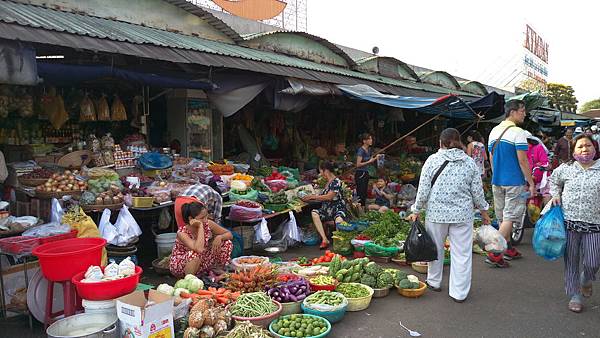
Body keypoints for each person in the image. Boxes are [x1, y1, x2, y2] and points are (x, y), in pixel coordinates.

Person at [408, 128, 491, 303]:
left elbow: (423, 190)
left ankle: (434, 281)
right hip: (462, 215)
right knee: (462, 253)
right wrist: (484, 212)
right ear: (459, 142)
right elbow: (477, 192)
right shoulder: (469, 163)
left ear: (440, 143)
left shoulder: (433, 160)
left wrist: (416, 210)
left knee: (435, 248)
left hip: (436, 214)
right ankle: (459, 293)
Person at [549, 134, 600, 313]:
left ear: (595, 148)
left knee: (593, 262)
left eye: (588, 146)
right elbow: (553, 181)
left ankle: (586, 279)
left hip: (595, 223)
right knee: (571, 261)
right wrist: (555, 194)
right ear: (573, 150)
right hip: (569, 222)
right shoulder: (567, 168)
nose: (584, 149)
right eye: (580, 146)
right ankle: (575, 295)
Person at [487, 100, 534, 268]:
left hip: (497, 181)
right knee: (510, 217)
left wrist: (496, 174)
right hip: (514, 181)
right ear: (512, 112)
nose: (524, 114)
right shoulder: (517, 132)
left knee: (502, 218)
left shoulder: (493, 131)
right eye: (522, 110)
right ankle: (495, 251)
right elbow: (523, 161)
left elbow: (491, 158)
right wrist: (531, 182)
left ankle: (507, 248)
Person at [169, 202, 233, 277]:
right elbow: (198, 249)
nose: (206, 220)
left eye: (206, 216)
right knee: (194, 254)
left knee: (226, 243)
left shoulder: (208, 224)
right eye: (202, 218)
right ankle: (189, 279)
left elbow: (229, 234)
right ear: (191, 219)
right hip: (181, 264)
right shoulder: (182, 233)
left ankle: (216, 269)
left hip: (202, 258)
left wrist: (220, 237)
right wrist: (200, 226)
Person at [302, 161, 349, 249]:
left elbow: (329, 197)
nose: (320, 174)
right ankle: (324, 239)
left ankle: (339, 242)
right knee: (314, 213)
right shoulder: (327, 182)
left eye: (321, 171)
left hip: (337, 209)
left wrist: (313, 197)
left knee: (339, 220)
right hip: (326, 210)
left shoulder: (336, 182)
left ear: (326, 171)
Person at [355, 133, 382, 207]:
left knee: (364, 192)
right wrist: (369, 161)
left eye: (371, 139)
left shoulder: (369, 150)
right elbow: (358, 164)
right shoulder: (361, 150)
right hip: (360, 173)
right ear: (364, 141)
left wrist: (376, 157)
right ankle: (360, 209)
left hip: (366, 172)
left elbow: (370, 159)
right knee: (360, 192)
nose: (371, 140)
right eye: (369, 139)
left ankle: (363, 208)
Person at [525, 132, 551, 204]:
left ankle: (546, 213)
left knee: (546, 197)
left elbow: (544, 163)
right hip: (528, 180)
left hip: (541, 179)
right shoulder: (521, 151)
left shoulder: (538, 147)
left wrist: (535, 174)